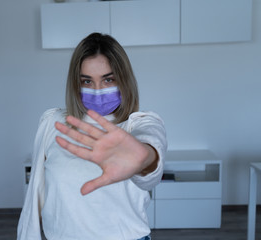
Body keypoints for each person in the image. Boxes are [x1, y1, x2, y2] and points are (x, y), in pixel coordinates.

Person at [17, 32, 167, 240]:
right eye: (87, 82)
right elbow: (35, 194)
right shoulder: (53, 122)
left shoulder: (139, 123)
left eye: (108, 79)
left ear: (124, 80)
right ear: (75, 84)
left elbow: (151, 148)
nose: (98, 91)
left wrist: (145, 157)